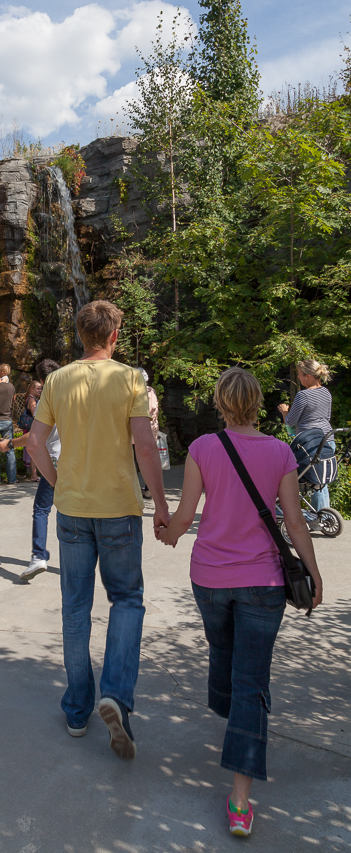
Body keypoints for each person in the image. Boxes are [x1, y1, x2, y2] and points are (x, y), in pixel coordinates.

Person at [158, 367, 323, 838]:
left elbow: (185, 516)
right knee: (250, 678)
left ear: (220, 402)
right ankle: (240, 802)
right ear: (257, 403)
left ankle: (233, 718)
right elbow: (294, 522)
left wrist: (167, 534)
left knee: (224, 653)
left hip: (209, 578)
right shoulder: (280, 452)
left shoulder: (203, 448)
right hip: (263, 583)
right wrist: (313, 572)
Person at [28, 300, 169, 758]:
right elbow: (145, 445)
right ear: (114, 336)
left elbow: (34, 443)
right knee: (126, 600)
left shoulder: (57, 380)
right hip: (118, 509)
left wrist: (59, 483)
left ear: (80, 335)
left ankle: (76, 709)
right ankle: (116, 695)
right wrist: (160, 502)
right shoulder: (129, 378)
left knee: (75, 608)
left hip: (72, 509)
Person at [0, 359, 61, 580]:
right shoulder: (74, 398)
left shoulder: (46, 402)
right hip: (76, 462)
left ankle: (38, 556)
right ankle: (78, 560)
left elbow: (34, 438)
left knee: (42, 509)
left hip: (53, 463)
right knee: (74, 512)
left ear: (41, 380)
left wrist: (10, 443)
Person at [278, 359, 334, 512]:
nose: (298, 377)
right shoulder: (326, 392)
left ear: (308, 376)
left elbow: (290, 421)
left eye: (300, 375)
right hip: (328, 440)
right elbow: (327, 417)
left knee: (313, 480)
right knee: (321, 481)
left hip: (310, 443)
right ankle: (325, 514)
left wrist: (284, 412)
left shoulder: (303, 395)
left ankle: (319, 516)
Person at [135, 369, 159, 499]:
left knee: (133, 462)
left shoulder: (132, 392)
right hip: (149, 431)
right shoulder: (150, 391)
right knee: (147, 461)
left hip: (135, 433)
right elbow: (153, 409)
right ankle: (148, 490)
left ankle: (134, 490)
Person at [21, 379, 43, 481]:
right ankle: (34, 475)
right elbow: (35, 414)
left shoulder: (30, 398)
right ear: (31, 389)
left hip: (30, 428)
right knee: (34, 452)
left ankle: (34, 474)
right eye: (38, 389)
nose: (40, 391)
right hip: (32, 429)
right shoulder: (32, 400)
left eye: (41, 389)